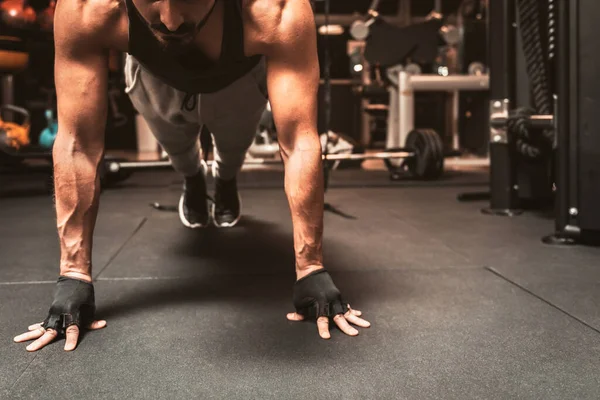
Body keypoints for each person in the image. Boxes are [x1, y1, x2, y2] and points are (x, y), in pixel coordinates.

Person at [13, 0, 370, 352]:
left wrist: (311, 268)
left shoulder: (276, 9)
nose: (170, 20)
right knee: (178, 147)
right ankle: (193, 177)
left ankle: (225, 178)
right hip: (154, 75)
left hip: (239, 78)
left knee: (233, 148)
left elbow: (298, 141)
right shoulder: (86, 7)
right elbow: (78, 143)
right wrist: (73, 276)